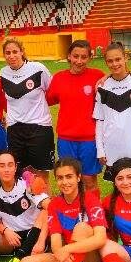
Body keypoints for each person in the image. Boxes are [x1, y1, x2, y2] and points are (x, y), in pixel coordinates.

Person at [20, 158, 106, 262]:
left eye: (69, 176)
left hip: (90, 261)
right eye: (60, 178)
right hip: (68, 260)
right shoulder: (54, 204)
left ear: (78, 177)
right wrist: (61, 253)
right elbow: (55, 241)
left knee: (82, 228)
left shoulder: (90, 199)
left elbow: (100, 238)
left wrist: (66, 249)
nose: (65, 182)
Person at [46, 39, 104, 191]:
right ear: (69, 56)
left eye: (84, 57)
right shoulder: (59, 78)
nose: (79, 61)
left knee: (89, 180)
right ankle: (73, 206)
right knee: (69, 180)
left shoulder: (98, 76)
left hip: (89, 139)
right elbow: (47, 100)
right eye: (75, 56)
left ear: (90, 58)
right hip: (66, 139)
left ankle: (92, 207)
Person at [94, 42, 131, 181]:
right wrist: (100, 150)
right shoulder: (102, 87)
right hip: (112, 147)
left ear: (125, 58)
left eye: (118, 59)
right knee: (117, 186)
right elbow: (99, 121)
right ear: (106, 62)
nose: (114, 64)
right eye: (110, 61)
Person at [0, 38, 55, 188]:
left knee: (41, 175)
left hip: (39, 127)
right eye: (8, 53)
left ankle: (45, 203)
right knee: (22, 174)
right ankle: (27, 203)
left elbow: (51, 93)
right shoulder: (3, 73)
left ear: (22, 52)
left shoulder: (38, 69)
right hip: (15, 130)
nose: (12, 56)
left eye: (15, 52)